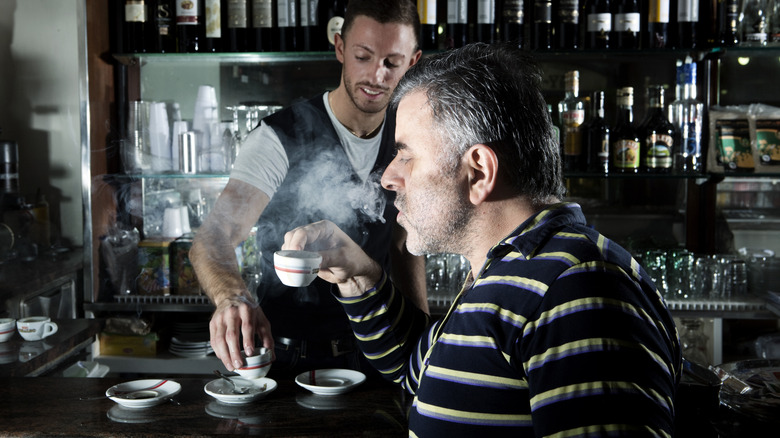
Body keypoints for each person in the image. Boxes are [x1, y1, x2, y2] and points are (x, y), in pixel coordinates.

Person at [280, 43, 683, 437]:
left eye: (405, 155)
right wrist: (359, 277)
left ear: (478, 171)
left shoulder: (577, 292)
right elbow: (419, 370)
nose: (388, 177)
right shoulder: (506, 272)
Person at [189, 0, 426, 375]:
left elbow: (404, 244)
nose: (377, 76)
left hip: (377, 356)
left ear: (412, 63)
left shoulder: (409, 138)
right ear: (340, 48)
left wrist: (420, 333)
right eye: (363, 56)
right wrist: (232, 297)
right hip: (286, 356)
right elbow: (213, 238)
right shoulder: (277, 138)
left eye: (392, 63)